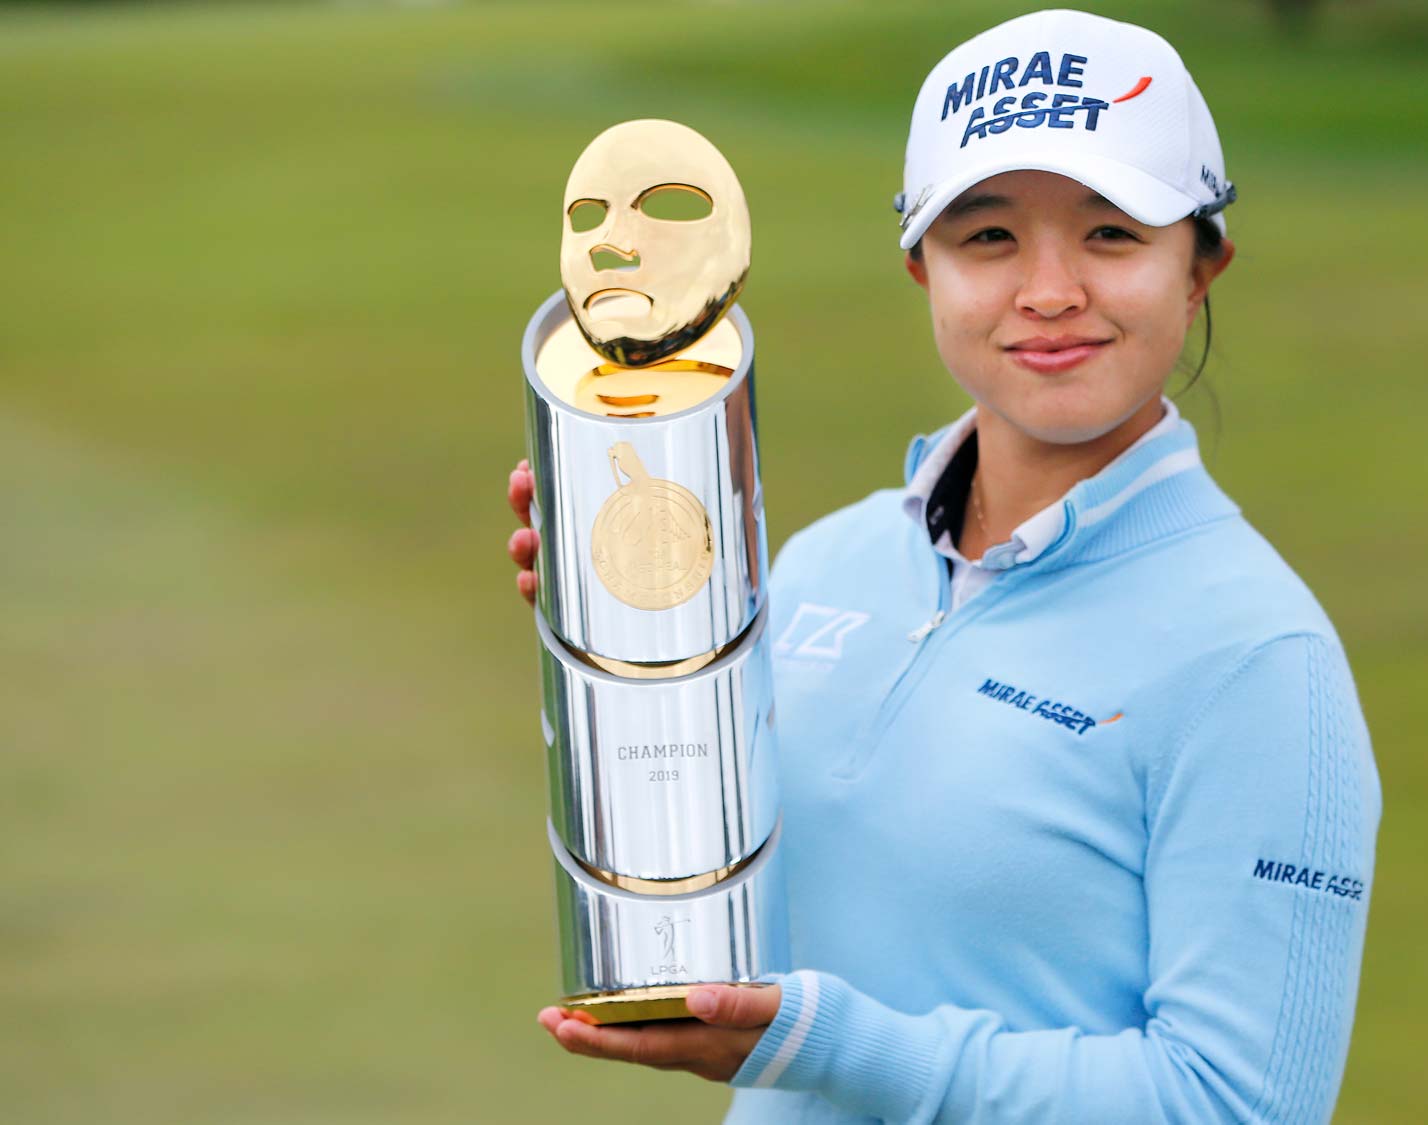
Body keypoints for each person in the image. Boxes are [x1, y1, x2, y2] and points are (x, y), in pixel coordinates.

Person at [505, 10, 1381, 1122]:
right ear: (921, 268)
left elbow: (1236, 1106)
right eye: (988, 238)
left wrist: (832, 1046)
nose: (1049, 290)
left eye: (1111, 234)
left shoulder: (1258, 657)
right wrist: (627, 655)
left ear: (1200, 266)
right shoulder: (823, 567)